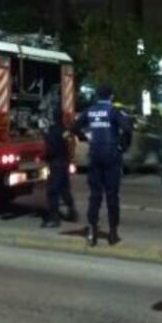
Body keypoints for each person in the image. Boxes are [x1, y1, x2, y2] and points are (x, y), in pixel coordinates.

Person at [73, 84, 132, 246]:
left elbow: (74, 127)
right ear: (111, 96)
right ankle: (113, 233)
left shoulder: (90, 111)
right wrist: (122, 147)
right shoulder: (114, 111)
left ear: (97, 96)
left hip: (95, 156)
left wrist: (86, 137)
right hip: (112, 156)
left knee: (95, 196)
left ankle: (92, 233)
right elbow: (127, 129)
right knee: (112, 196)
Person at [40, 100, 78, 228]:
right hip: (64, 163)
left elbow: (50, 150)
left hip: (55, 164)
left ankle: (54, 218)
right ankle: (72, 212)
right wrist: (71, 157)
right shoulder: (64, 131)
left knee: (52, 191)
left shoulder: (52, 133)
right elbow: (70, 142)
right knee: (65, 189)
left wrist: (43, 157)